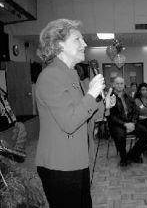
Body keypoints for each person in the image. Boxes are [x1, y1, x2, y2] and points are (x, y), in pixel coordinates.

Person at [35, 19, 115, 208]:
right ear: (58, 44)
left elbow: (84, 115)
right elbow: (70, 122)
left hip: (78, 159)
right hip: (60, 165)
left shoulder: (72, 75)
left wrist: (105, 106)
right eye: (78, 39)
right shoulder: (50, 76)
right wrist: (92, 94)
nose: (85, 44)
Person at [108, 77, 147, 166]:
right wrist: (125, 124)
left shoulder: (129, 97)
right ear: (113, 85)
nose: (119, 86)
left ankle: (133, 154)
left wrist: (132, 123)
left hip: (131, 122)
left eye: (121, 83)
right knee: (120, 137)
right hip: (118, 124)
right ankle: (123, 158)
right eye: (117, 83)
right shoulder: (109, 98)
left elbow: (136, 112)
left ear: (124, 85)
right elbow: (111, 117)